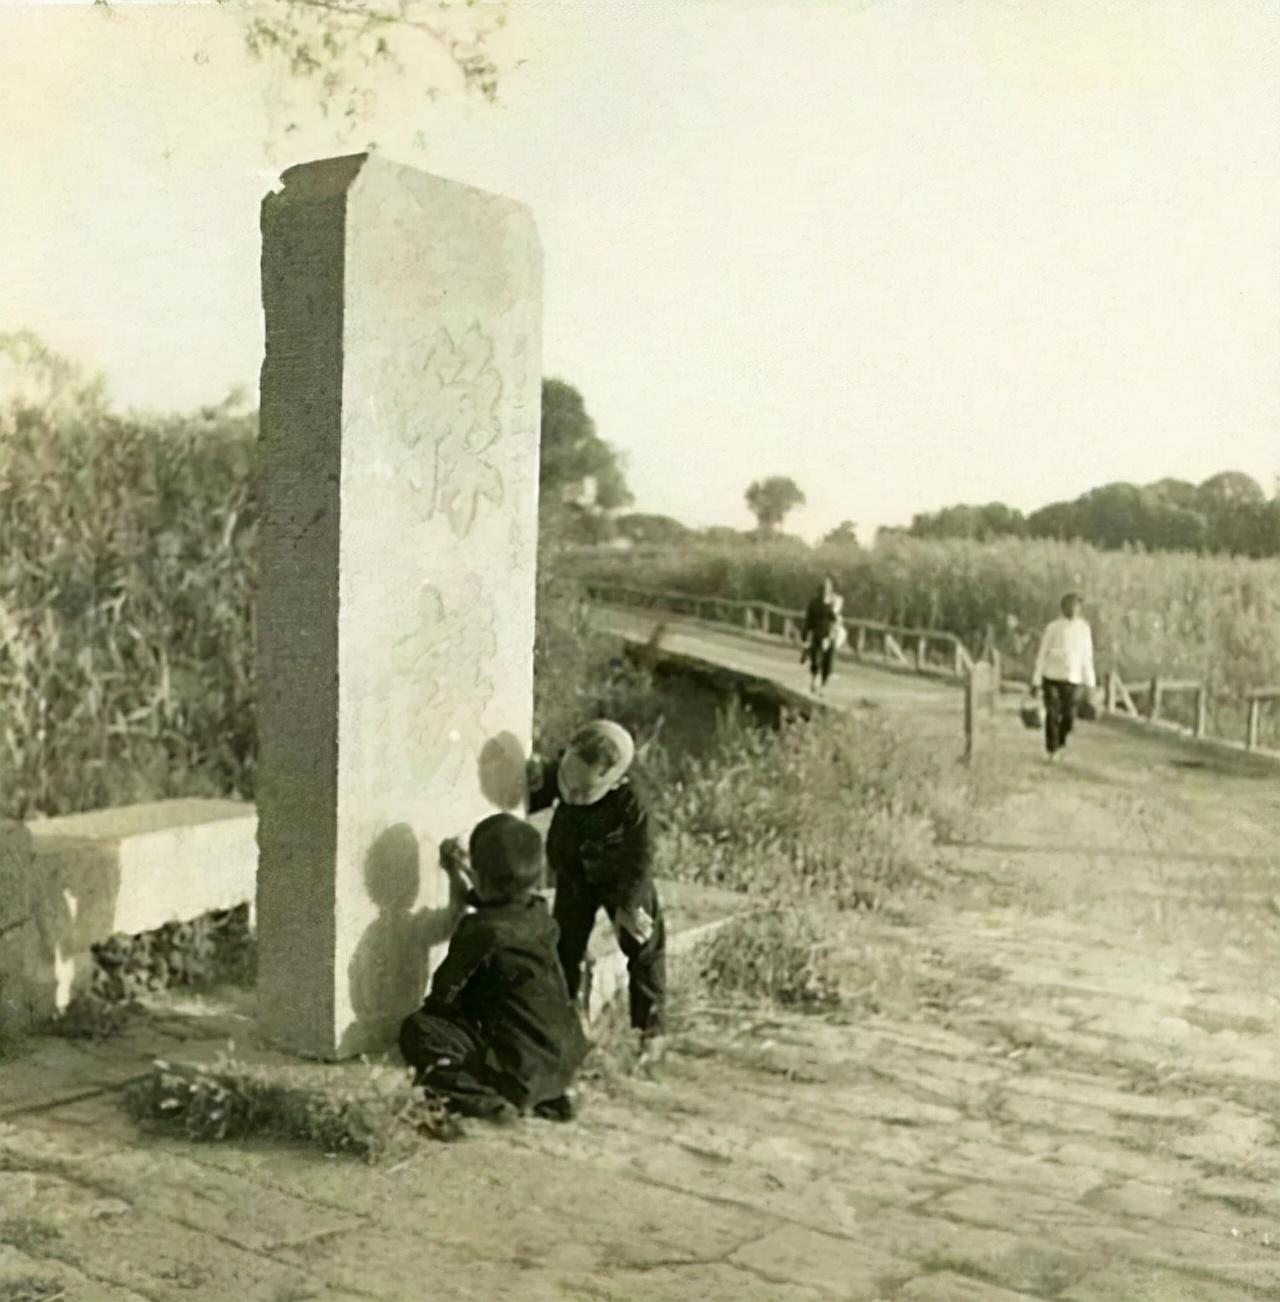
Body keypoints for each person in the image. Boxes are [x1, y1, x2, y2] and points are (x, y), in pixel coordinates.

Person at [398, 813, 589, 1125]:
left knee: (419, 1029)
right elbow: (499, 902)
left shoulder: (479, 930)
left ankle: (490, 1104)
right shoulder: (540, 914)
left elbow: (442, 996)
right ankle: (550, 1099)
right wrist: (464, 873)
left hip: (518, 1070)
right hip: (562, 1064)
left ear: (482, 878)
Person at [526, 720, 666, 1064]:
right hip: (575, 871)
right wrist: (532, 779)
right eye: (568, 782)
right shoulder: (566, 768)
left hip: (621, 877)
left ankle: (649, 1034)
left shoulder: (632, 800)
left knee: (643, 948)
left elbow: (641, 855)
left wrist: (630, 906)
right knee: (565, 947)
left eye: (582, 790)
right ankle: (563, 1027)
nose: (573, 795)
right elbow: (533, 796)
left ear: (613, 779)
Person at [1030, 592, 1097, 762]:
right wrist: (1036, 680)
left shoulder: (1083, 629)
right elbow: (1042, 654)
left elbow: (1087, 657)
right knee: (1052, 713)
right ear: (1063, 608)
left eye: (1077, 606)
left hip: (1073, 678)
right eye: (1071, 606)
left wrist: (1090, 683)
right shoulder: (1053, 627)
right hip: (1051, 676)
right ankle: (1052, 749)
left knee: (1069, 715)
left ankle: (1060, 741)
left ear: (1079, 609)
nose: (1073, 609)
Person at [801, 574, 844, 694]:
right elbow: (809, 619)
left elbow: (836, 619)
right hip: (817, 633)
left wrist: (832, 633)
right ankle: (814, 680)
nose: (826, 589)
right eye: (824, 586)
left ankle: (823, 686)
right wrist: (805, 634)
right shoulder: (814, 603)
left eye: (828, 586)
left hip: (830, 634)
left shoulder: (836, 602)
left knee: (828, 662)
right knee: (815, 659)